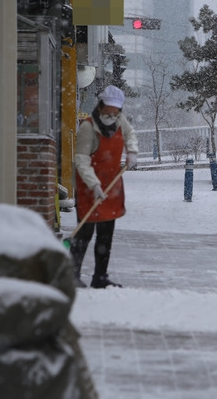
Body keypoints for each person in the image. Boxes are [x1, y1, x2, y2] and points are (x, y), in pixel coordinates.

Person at [71, 85, 139, 289]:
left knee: (106, 233)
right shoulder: (88, 127)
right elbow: (81, 160)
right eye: (109, 108)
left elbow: (130, 135)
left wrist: (132, 152)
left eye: (116, 109)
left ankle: (100, 277)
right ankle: (71, 275)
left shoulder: (120, 122)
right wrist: (94, 185)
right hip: (89, 186)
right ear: (100, 105)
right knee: (84, 232)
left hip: (112, 184)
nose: (112, 113)